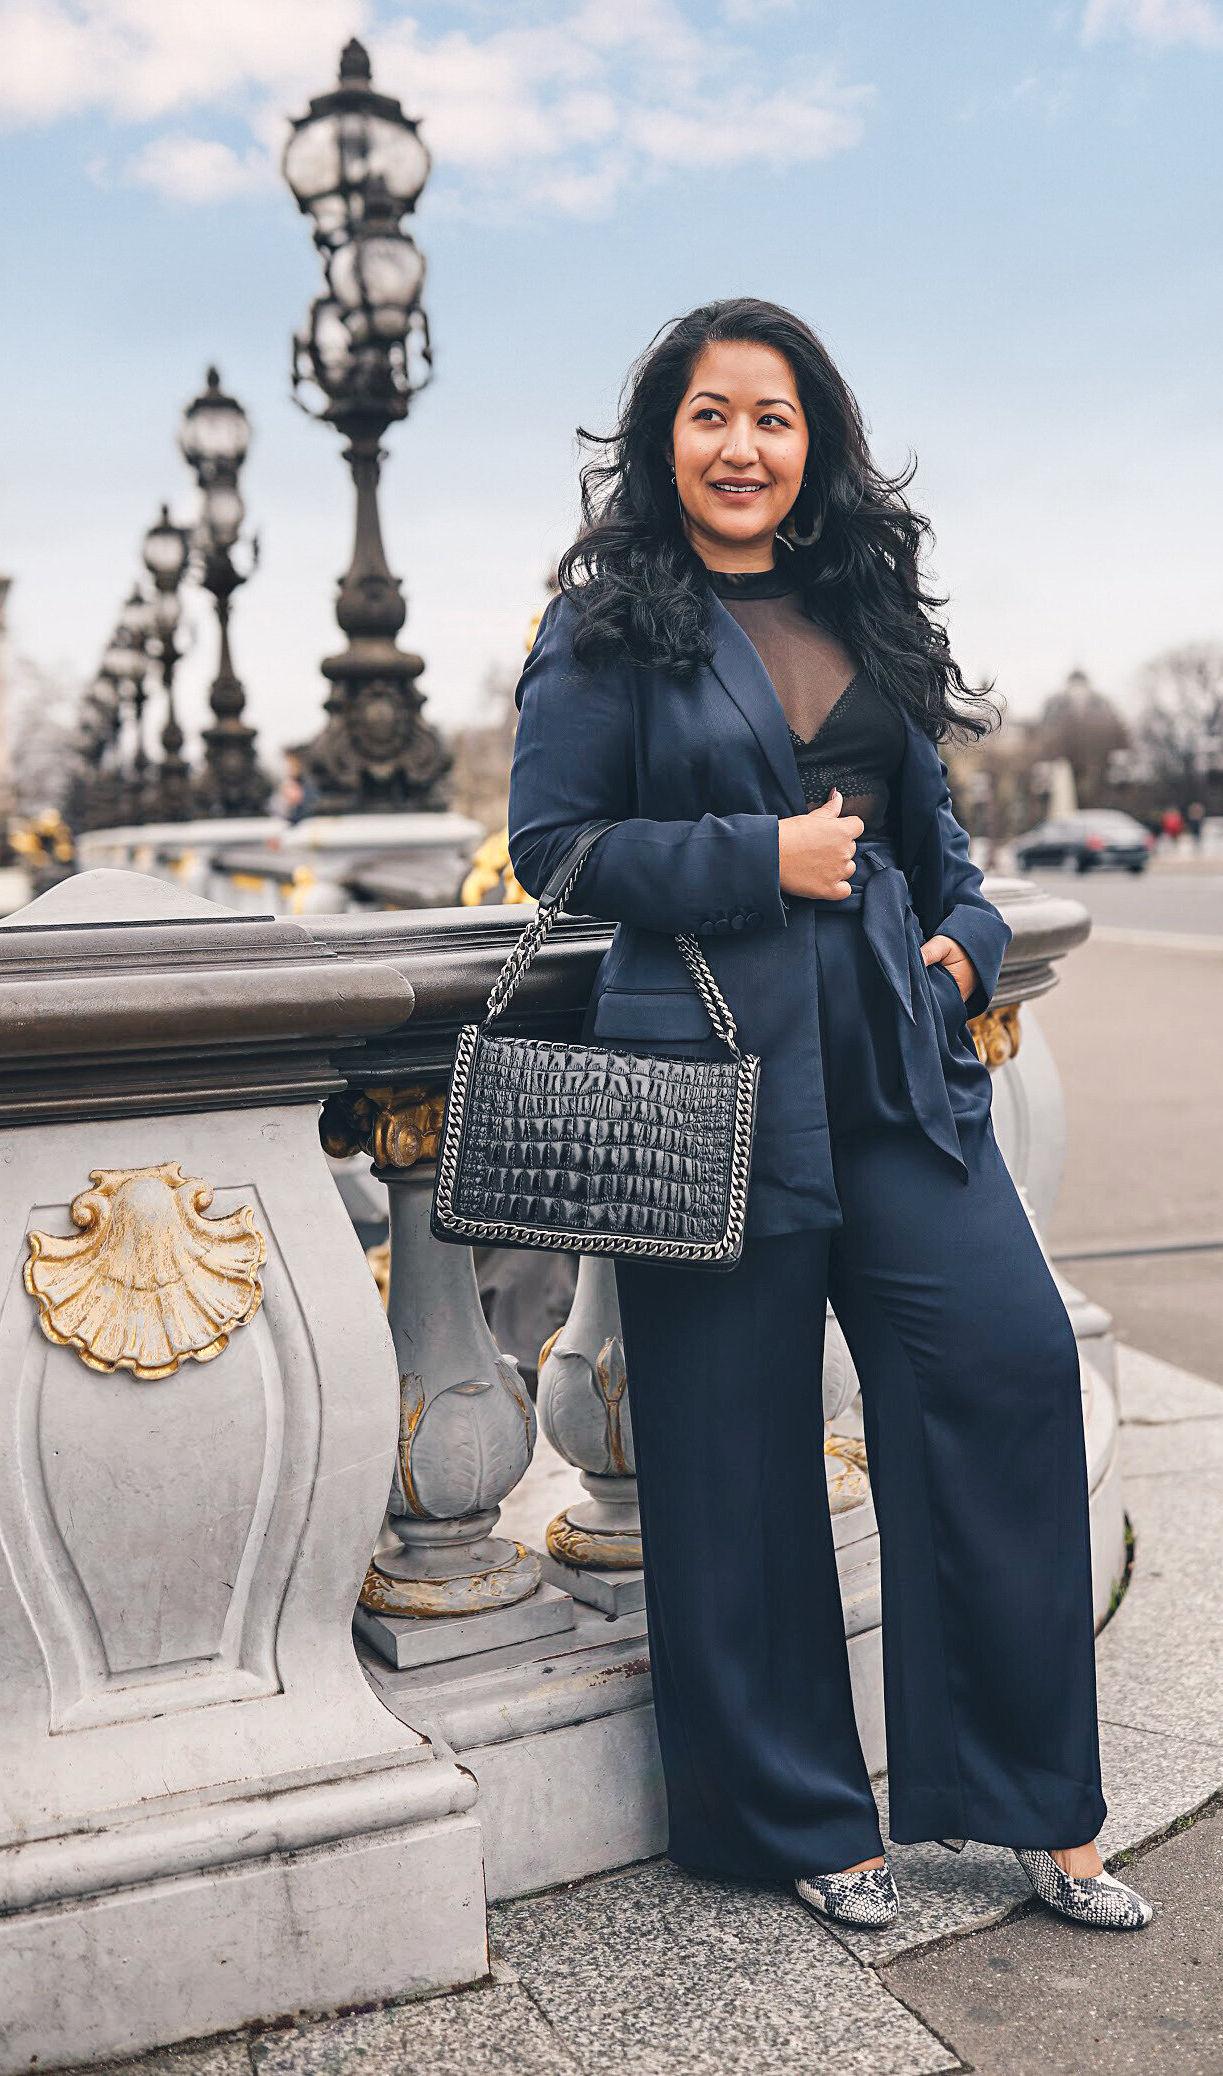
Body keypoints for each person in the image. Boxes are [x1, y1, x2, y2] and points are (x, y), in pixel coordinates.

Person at [507, 299, 1153, 1936]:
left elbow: (943, 848)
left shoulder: (862, 606)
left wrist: (965, 950)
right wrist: (751, 858)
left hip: (884, 1066)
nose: (741, 446)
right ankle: (792, 1811)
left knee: (1008, 1365)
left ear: (815, 449)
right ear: (668, 438)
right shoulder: (607, 627)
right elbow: (555, 848)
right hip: (712, 1072)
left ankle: (1034, 1804)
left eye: (773, 419)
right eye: (711, 414)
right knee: (731, 1461)